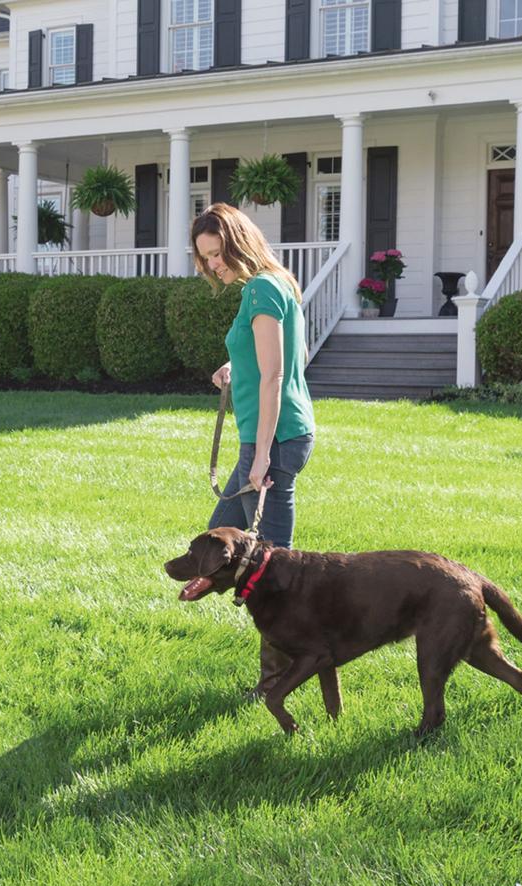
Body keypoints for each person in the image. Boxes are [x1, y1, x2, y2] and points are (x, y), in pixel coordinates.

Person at [191, 202, 315, 698]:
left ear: (238, 243)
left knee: (275, 569)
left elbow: (277, 373)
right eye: (205, 258)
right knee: (218, 539)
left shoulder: (263, 288)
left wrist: (261, 456)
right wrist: (234, 364)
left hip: (273, 441)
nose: (213, 265)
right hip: (278, 434)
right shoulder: (274, 283)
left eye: (217, 254)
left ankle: (279, 680)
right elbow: (289, 355)